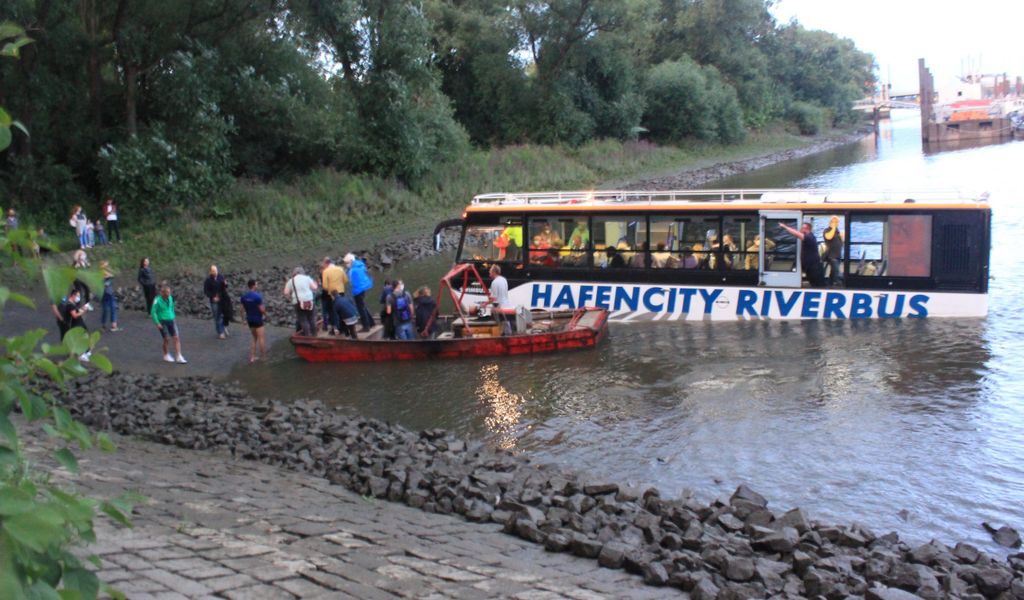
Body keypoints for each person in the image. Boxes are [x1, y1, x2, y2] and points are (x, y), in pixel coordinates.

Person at [779, 220, 826, 287]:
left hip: (814, 268)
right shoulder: (809, 236)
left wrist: (785, 227)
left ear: (806, 229)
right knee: (814, 284)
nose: (800, 229)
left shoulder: (809, 237)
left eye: (802, 228)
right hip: (810, 267)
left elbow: (796, 234)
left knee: (818, 286)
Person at [151, 284, 187, 363]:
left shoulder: (170, 298)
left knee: (176, 337)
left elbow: (172, 307)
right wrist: (157, 323)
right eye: (167, 293)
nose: (168, 294)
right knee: (166, 339)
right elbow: (153, 312)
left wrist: (173, 316)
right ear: (162, 293)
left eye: (169, 292)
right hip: (162, 321)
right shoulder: (157, 300)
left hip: (171, 320)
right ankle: (166, 355)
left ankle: (178, 355)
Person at [343, 253, 375, 331]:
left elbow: (352, 282)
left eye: (347, 263)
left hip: (358, 290)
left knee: (361, 308)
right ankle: (371, 322)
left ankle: (366, 326)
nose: (346, 265)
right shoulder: (360, 265)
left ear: (351, 261)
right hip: (364, 287)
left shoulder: (353, 270)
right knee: (363, 306)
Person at [59, 288, 92, 362]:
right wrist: (83, 311)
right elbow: (75, 315)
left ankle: (86, 352)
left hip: (79, 324)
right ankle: (81, 354)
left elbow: (76, 311)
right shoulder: (70, 305)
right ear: (73, 295)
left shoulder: (72, 304)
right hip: (76, 325)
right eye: (77, 296)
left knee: (85, 336)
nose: (78, 298)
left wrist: (82, 308)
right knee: (80, 338)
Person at [284, 266, 318, 336]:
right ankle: (314, 334)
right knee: (312, 318)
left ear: (294, 273)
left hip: (297, 302)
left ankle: (307, 335)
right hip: (309, 300)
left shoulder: (291, 281)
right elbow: (314, 288)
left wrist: (290, 297)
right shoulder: (307, 278)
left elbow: (286, 292)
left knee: (303, 320)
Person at [240, 279, 268, 363]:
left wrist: (243, 320)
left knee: (254, 338)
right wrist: (266, 315)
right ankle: (263, 357)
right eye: (256, 284)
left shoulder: (244, 297)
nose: (257, 285)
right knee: (261, 339)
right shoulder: (257, 297)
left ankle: (252, 357)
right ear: (253, 286)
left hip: (250, 320)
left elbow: (241, 310)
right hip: (258, 319)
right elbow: (261, 309)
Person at [320, 257, 348, 335]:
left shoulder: (326, 271)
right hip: (341, 291)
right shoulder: (340, 269)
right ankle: (344, 328)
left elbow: (325, 286)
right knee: (342, 310)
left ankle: (336, 328)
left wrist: (330, 289)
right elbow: (346, 280)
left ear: (327, 264)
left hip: (332, 294)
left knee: (334, 311)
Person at [203, 265, 230, 339]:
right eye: (213, 271)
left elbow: (225, 287)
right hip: (214, 301)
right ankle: (220, 332)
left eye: (216, 271)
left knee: (225, 314)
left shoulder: (220, 277)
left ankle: (224, 326)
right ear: (210, 272)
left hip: (222, 299)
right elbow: (206, 291)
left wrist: (226, 284)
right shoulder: (208, 280)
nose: (215, 272)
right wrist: (212, 296)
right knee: (217, 316)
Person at [823, 216, 844, 285]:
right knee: (837, 272)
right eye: (834, 222)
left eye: (837, 222)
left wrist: (842, 237)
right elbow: (828, 237)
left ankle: (830, 284)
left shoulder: (837, 231)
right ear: (830, 222)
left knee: (833, 272)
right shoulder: (827, 230)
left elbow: (841, 243)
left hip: (838, 254)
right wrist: (833, 227)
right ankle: (839, 283)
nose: (835, 223)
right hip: (831, 255)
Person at [99, 261, 120, 332]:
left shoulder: (105, 274)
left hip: (107, 293)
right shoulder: (104, 275)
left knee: (110, 308)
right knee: (108, 309)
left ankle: (110, 324)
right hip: (106, 293)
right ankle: (109, 325)